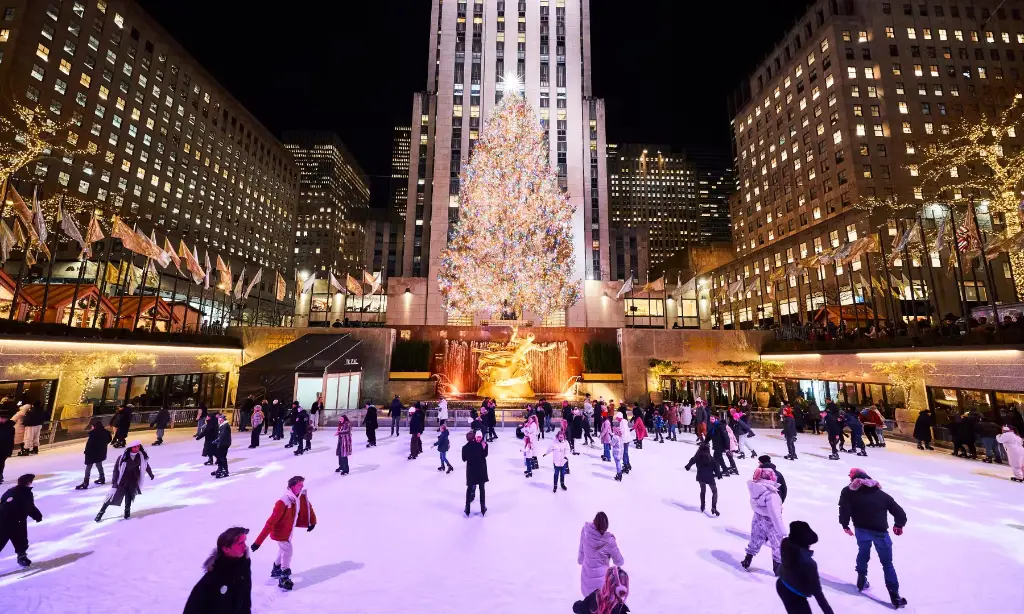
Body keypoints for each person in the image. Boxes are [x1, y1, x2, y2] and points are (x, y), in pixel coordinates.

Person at [839, 469, 908, 608]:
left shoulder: (848, 492)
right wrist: (899, 524)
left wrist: (845, 525)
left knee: (863, 553)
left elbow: (844, 509)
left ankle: (861, 581)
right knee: (887, 563)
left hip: (861, 530)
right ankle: (895, 596)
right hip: (880, 533)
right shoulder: (882, 495)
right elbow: (900, 512)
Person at [250, 475, 317, 591]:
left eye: (302, 485)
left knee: (283, 550)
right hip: (281, 532)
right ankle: (284, 576)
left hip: (289, 531)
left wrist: (312, 522)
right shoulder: (283, 501)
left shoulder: (298, 497)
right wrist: (258, 542)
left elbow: (307, 506)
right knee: (287, 550)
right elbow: (270, 522)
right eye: (300, 485)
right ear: (292, 486)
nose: (302, 487)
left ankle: (276, 568)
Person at [183, 526, 252, 614]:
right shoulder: (212, 579)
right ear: (226, 549)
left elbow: (245, 595)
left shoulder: (243, 564)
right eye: (240, 543)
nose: (245, 546)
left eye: (245, 541)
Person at [777, 521, 835, 614]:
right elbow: (818, 594)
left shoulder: (785, 543)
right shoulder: (809, 565)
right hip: (795, 596)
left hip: (781, 584)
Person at [95, 441, 155, 522]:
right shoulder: (122, 458)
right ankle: (101, 512)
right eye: (134, 447)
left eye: (138, 446)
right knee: (112, 496)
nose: (136, 448)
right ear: (130, 448)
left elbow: (146, 465)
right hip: (122, 480)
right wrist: (114, 482)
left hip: (133, 479)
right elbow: (116, 470)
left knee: (129, 496)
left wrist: (151, 474)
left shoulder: (141, 457)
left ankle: (127, 512)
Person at [741, 466, 786, 576]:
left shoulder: (755, 488)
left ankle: (747, 560)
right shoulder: (772, 494)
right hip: (771, 522)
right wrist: (783, 533)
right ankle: (778, 570)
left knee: (755, 539)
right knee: (777, 544)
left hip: (757, 518)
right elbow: (775, 515)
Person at [577, 511, 625, 598]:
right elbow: (619, 562)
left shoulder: (585, 531)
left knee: (590, 606)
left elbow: (581, 556)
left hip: (586, 582)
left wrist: (582, 560)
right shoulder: (609, 541)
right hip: (602, 587)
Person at [0, 473, 43, 567]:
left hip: (3, 519)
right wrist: (37, 516)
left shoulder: (10, 491)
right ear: (28, 483)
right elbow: (29, 507)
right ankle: (22, 557)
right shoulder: (26, 493)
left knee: (10, 539)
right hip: (17, 521)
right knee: (20, 539)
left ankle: (22, 557)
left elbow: (2, 501)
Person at [685, 443, 722, 516]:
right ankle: (713, 507)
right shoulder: (711, 458)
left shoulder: (697, 457)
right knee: (714, 491)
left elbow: (692, 460)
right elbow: (716, 466)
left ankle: (702, 505)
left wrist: (688, 466)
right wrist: (718, 474)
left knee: (703, 490)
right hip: (709, 477)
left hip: (700, 476)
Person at [76, 418, 112, 490]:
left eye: (92, 426)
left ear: (95, 426)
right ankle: (102, 478)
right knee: (99, 465)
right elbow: (109, 440)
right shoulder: (106, 432)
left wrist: (86, 452)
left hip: (92, 453)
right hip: (100, 452)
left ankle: (86, 482)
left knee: (88, 467)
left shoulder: (93, 433)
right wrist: (103, 445)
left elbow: (89, 445)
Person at [462, 431, 488, 516]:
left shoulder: (464, 448)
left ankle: (467, 508)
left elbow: (464, 459)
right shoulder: (479, 446)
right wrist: (483, 448)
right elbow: (483, 455)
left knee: (469, 489)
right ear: (474, 438)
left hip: (471, 471)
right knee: (482, 489)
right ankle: (483, 507)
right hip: (480, 470)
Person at [212, 413, 232, 479]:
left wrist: (217, 441)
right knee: (220, 457)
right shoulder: (223, 425)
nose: (219, 421)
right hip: (222, 443)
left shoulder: (225, 426)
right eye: (219, 420)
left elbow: (222, 436)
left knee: (222, 457)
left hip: (223, 444)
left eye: (221, 420)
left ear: (224, 420)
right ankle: (220, 469)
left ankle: (225, 471)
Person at [0, 413, 15, 485]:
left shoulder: (10, 428)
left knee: (1, 463)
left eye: (3, 418)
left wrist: (9, 450)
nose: (2, 420)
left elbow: (11, 440)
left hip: (4, 448)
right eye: (1, 418)